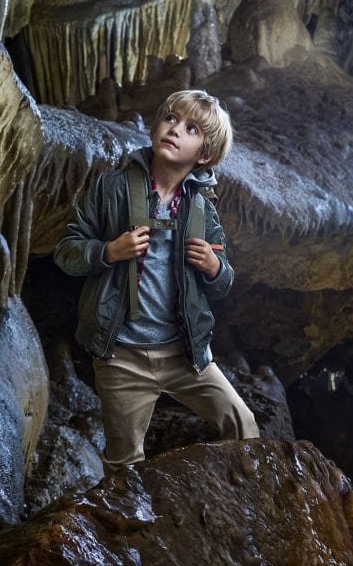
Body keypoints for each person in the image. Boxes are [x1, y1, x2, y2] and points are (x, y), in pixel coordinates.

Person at [54, 89, 259, 470]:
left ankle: (250, 511)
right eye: (170, 119)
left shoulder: (201, 207)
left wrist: (214, 268)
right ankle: (128, 527)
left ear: (205, 155)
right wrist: (107, 252)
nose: (175, 129)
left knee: (243, 425)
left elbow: (224, 281)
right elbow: (66, 251)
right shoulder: (111, 188)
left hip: (185, 354)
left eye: (191, 128)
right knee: (123, 464)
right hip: (122, 355)